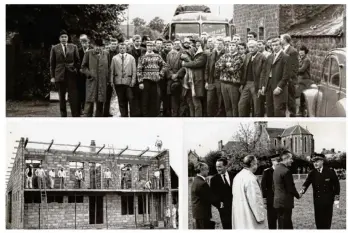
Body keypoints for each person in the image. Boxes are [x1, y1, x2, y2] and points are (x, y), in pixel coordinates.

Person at [300, 153, 340, 229]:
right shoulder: (312, 173)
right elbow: (306, 183)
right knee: (318, 222)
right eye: (313, 162)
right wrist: (302, 191)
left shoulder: (330, 171)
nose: (315, 163)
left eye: (317, 161)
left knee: (327, 222)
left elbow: (337, 186)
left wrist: (336, 199)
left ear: (322, 161)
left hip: (328, 201)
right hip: (317, 201)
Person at [50, 29, 80, 117]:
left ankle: (75, 115)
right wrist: (52, 77)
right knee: (62, 97)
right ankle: (63, 116)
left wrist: (75, 70)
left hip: (71, 75)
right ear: (59, 38)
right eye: (62, 37)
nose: (64, 38)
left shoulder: (73, 47)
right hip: (59, 75)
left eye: (65, 37)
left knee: (73, 96)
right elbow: (52, 64)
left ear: (68, 38)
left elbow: (78, 61)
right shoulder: (55, 48)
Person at [232, 155, 266, 229]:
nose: (257, 166)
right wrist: (260, 217)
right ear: (252, 164)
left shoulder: (237, 177)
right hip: (250, 218)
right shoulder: (251, 179)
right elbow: (255, 200)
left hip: (239, 215)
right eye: (256, 163)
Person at [81, 36, 111, 117]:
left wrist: (108, 80)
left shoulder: (106, 54)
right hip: (92, 81)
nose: (98, 48)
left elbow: (108, 68)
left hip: (102, 82)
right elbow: (83, 67)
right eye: (96, 46)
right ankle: (87, 118)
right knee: (89, 101)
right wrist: (89, 74)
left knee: (100, 102)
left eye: (100, 46)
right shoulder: (88, 53)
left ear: (103, 47)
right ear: (93, 46)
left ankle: (98, 120)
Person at [261, 38, 290, 117]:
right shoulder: (270, 57)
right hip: (268, 84)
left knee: (278, 109)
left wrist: (279, 87)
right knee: (269, 108)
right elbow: (265, 72)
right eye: (273, 45)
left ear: (281, 45)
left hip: (278, 85)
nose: (275, 47)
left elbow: (286, 75)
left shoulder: (285, 57)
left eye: (277, 45)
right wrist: (263, 85)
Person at [137, 41, 166, 117]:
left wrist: (160, 74)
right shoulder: (142, 57)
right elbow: (139, 69)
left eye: (151, 46)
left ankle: (153, 115)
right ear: (146, 47)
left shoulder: (158, 56)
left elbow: (164, 65)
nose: (150, 47)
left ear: (153, 47)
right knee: (145, 99)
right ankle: (145, 115)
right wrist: (140, 82)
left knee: (154, 99)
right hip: (145, 81)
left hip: (155, 81)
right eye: (148, 46)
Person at [273, 150, 301, 229]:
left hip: (277, 202)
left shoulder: (276, 169)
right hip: (285, 203)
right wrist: (298, 195)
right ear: (286, 159)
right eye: (291, 158)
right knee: (287, 225)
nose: (292, 161)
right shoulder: (286, 171)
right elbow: (290, 188)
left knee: (281, 225)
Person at [238, 40, 267, 117]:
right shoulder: (247, 56)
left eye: (253, 47)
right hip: (247, 83)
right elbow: (244, 70)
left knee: (257, 106)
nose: (251, 49)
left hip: (256, 84)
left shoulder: (262, 57)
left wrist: (261, 87)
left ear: (257, 47)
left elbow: (263, 73)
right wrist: (242, 84)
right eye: (249, 47)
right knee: (241, 104)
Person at [215, 42, 244, 117]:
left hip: (233, 84)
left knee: (234, 105)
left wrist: (223, 66)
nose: (231, 47)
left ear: (236, 47)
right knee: (227, 106)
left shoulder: (239, 57)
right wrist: (226, 65)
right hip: (223, 83)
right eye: (230, 45)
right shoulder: (224, 55)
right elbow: (217, 66)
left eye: (233, 45)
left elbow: (233, 69)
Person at [182, 39, 207, 117]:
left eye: (199, 44)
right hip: (191, 80)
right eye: (196, 44)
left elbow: (196, 64)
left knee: (196, 102)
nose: (197, 45)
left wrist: (185, 63)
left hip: (197, 81)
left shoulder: (203, 54)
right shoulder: (194, 53)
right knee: (191, 102)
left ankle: (197, 119)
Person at [110, 42, 136, 117]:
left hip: (128, 82)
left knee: (130, 99)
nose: (122, 49)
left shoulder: (131, 58)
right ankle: (123, 116)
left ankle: (132, 116)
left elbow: (134, 70)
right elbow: (112, 70)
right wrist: (111, 81)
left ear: (126, 49)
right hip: (118, 82)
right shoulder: (114, 58)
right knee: (121, 100)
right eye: (120, 48)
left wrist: (133, 80)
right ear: (118, 49)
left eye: (123, 48)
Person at [210, 157, 237, 229]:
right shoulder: (214, 179)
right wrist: (219, 205)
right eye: (216, 167)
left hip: (237, 207)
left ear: (226, 166)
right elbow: (212, 195)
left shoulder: (234, 175)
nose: (217, 169)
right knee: (227, 227)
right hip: (224, 210)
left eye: (219, 167)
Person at [191, 162, 219, 229]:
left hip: (198, 214)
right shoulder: (202, 183)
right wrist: (220, 204)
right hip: (203, 215)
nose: (208, 171)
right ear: (202, 170)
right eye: (207, 169)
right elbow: (210, 198)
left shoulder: (196, 180)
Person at [205, 38, 226, 117]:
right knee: (209, 101)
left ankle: (219, 116)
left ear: (223, 45)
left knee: (220, 100)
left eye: (220, 44)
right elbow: (207, 69)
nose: (218, 45)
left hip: (220, 80)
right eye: (217, 44)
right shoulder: (211, 54)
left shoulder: (225, 54)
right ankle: (210, 115)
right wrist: (206, 81)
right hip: (211, 80)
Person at [127, 34, 147, 117]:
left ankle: (142, 114)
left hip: (143, 75)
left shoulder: (144, 50)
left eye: (139, 41)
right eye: (136, 41)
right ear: (133, 41)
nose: (138, 42)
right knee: (133, 97)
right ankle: (134, 114)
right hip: (133, 75)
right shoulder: (129, 51)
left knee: (143, 96)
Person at [166, 39, 186, 117]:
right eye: (175, 43)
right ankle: (174, 114)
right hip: (172, 78)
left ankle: (181, 115)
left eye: (178, 43)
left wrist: (177, 74)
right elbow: (167, 66)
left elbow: (184, 66)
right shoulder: (169, 54)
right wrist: (172, 75)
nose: (177, 45)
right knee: (173, 98)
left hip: (181, 78)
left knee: (182, 98)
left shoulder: (184, 53)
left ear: (181, 44)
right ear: (173, 44)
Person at [281, 34, 299, 117]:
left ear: (285, 40)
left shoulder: (293, 51)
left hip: (290, 79)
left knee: (291, 98)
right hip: (283, 78)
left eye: (281, 38)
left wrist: (290, 78)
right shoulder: (282, 50)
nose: (280, 40)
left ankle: (293, 114)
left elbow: (294, 67)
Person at [261, 154, 280, 229]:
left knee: (282, 221)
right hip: (271, 200)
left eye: (279, 160)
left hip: (281, 200)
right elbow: (263, 187)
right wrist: (265, 200)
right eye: (276, 161)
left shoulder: (283, 171)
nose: (278, 162)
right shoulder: (267, 172)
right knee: (272, 221)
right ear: (272, 161)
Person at [78, 34, 93, 115]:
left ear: (88, 42)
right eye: (82, 42)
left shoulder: (92, 51)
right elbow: (77, 62)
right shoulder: (78, 51)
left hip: (89, 75)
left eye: (85, 42)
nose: (84, 44)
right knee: (81, 92)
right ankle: (81, 108)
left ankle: (87, 109)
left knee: (89, 92)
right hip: (80, 75)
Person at [104, 37, 119, 117]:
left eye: (115, 44)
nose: (114, 45)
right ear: (110, 44)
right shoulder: (106, 53)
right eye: (112, 44)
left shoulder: (118, 52)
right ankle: (105, 113)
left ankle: (114, 112)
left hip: (116, 76)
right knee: (107, 96)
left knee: (116, 96)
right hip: (107, 76)